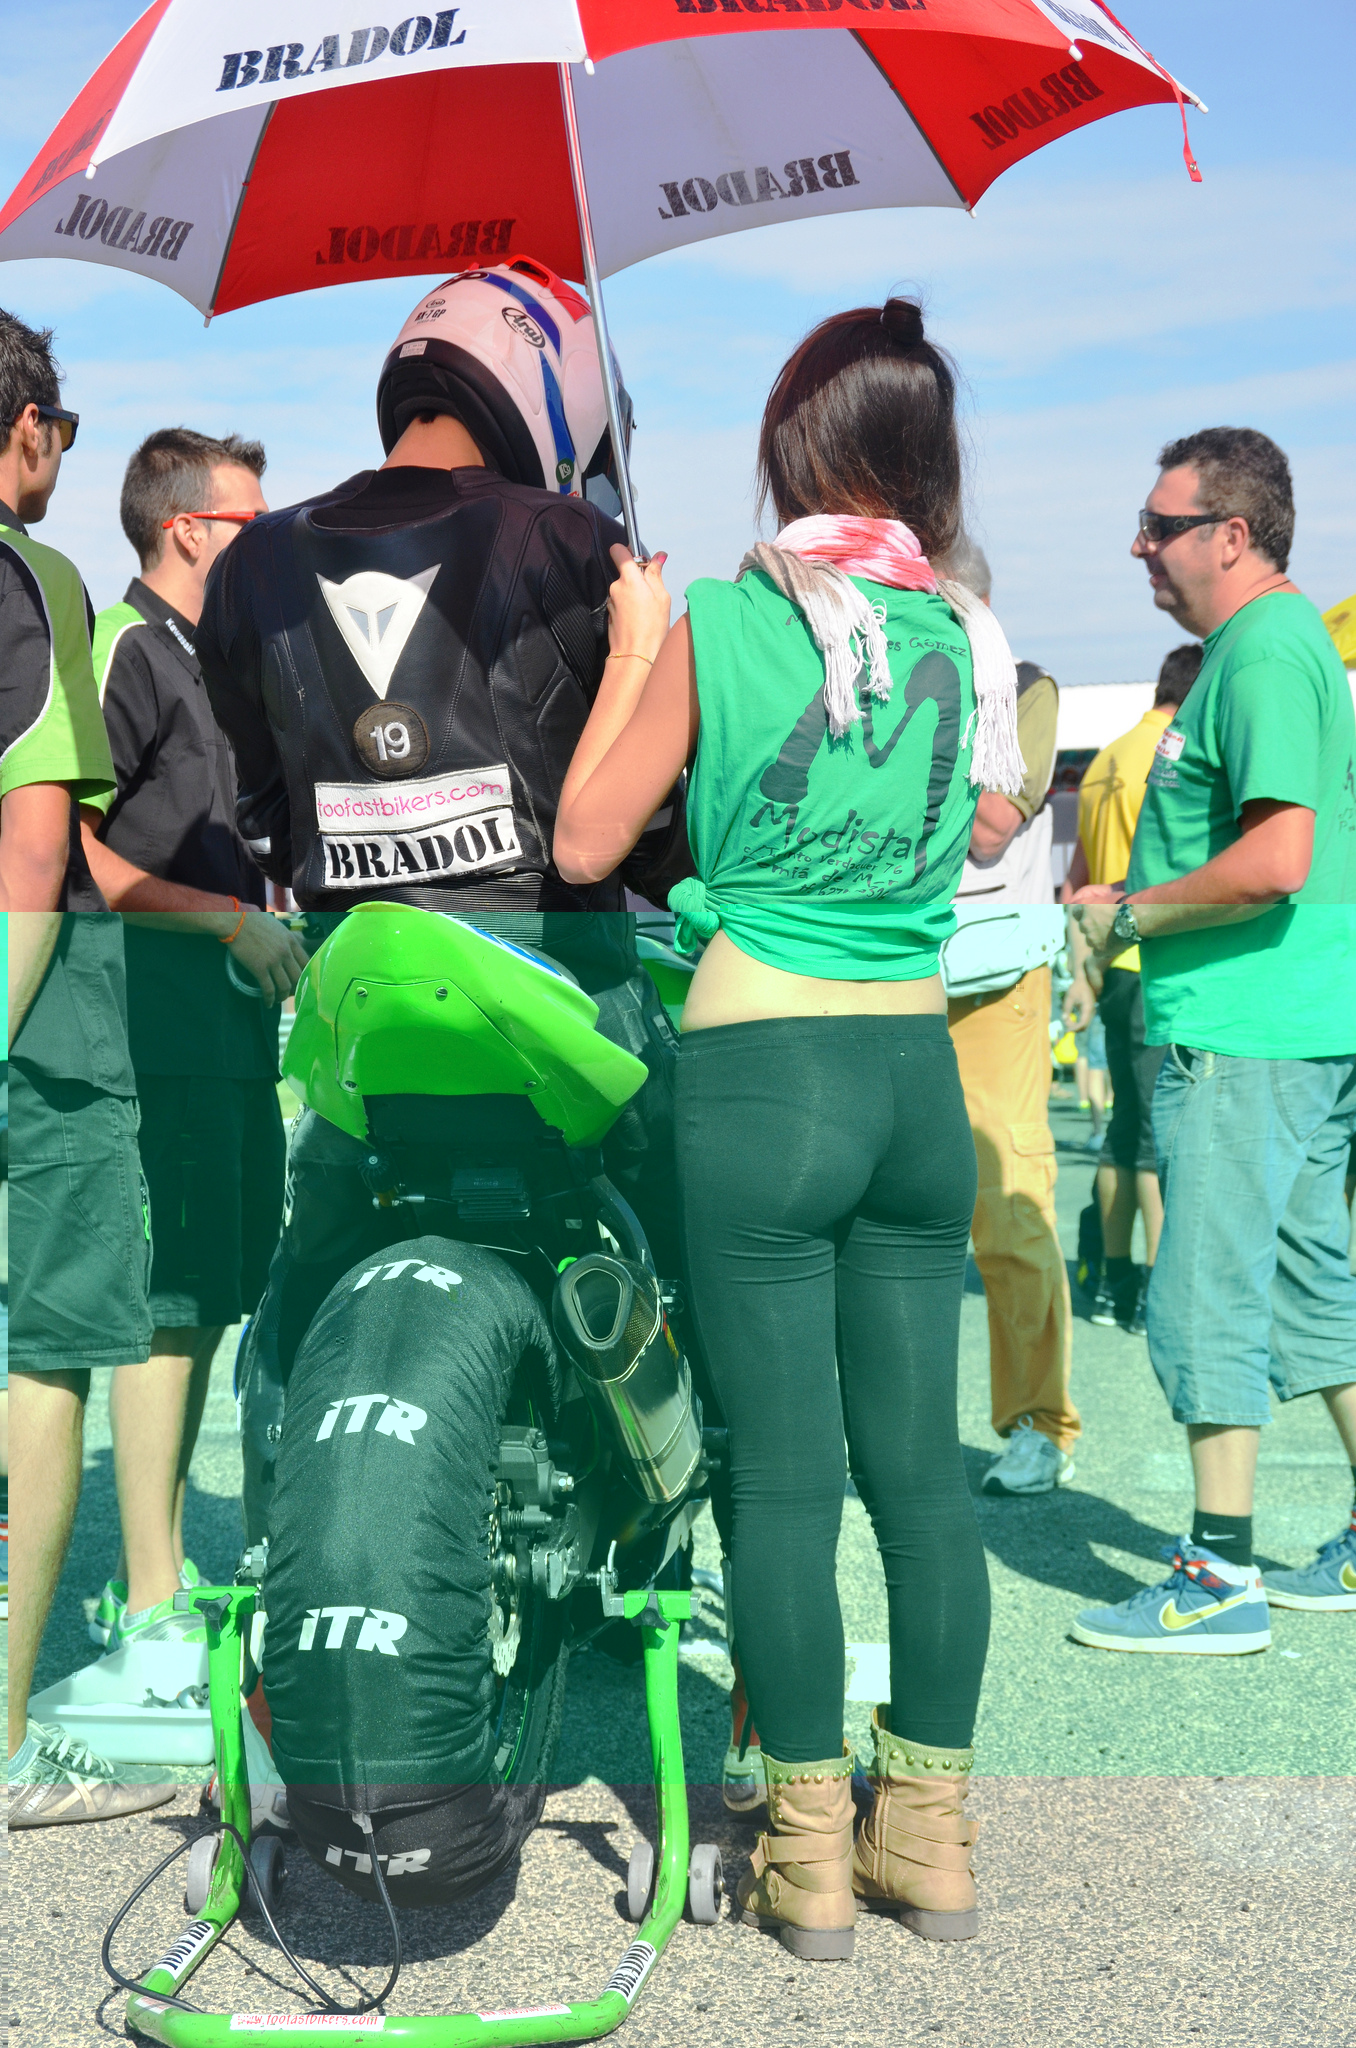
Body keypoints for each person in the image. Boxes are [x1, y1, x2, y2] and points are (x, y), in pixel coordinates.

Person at [193, 257, 705, 1886]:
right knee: (702, 1258)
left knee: (292, 1305)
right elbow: (651, 838)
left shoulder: (253, 563)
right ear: (545, 395)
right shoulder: (575, 545)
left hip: (368, 1020)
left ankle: (274, 1614)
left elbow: (253, 813)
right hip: (563, 1004)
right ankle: (690, 1567)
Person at [555, 298, 1026, 1959]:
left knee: (784, 1481)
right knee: (922, 1480)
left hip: (763, 1068)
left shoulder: (731, 615)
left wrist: (636, 643)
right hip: (915, 1074)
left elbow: (588, 836)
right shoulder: (964, 631)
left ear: (793, 445)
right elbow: (982, 831)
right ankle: (932, 1844)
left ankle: (809, 1857)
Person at [1070, 427, 1356, 1654]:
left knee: (1205, 1294)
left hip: (1249, 1028)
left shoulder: (1266, 649)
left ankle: (1219, 1571)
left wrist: (1132, 910)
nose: (1140, 544)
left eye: (1162, 524)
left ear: (1232, 535)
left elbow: (1278, 857)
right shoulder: (1264, 646)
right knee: (1309, 1285)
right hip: (1285, 1019)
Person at [78, 428, 306, 1654]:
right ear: (186, 529)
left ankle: (159, 1572)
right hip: (155, 1032)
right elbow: (74, 851)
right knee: (167, 1304)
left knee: (214, 1293)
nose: (270, 543)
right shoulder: (123, 648)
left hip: (231, 1036)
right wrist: (221, 918)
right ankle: (149, 1596)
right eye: (251, 524)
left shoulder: (217, 660)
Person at [0, 307, 172, 1823]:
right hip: (38, 1025)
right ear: (27, 430)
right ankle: (5, 1738)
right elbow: (42, 839)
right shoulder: (36, 576)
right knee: (46, 1356)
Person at [937, 541, 1078, 1498]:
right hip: (896, 972)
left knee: (1009, 1205)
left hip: (994, 979)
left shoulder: (1026, 690)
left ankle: (1041, 1422)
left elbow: (992, 822)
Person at [1063, 642, 1202, 1335]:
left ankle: (1113, 1280)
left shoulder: (1104, 760)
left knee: (1125, 1131)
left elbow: (1077, 882)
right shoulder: (1175, 756)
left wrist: (1083, 968)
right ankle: (1156, 1288)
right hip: (1157, 957)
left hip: (1111, 963)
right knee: (1156, 1137)